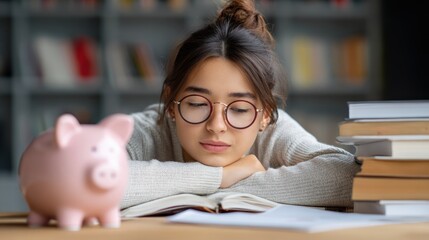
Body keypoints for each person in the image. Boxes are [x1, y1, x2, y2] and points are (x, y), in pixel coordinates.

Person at [121, 0, 360, 210]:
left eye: (239, 109)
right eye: (196, 104)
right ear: (171, 104)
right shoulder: (146, 131)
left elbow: (347, 175)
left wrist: (217, 189)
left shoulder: (274, 133)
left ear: (266, 114)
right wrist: (220, 176)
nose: (216, 126)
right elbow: (85, 177)